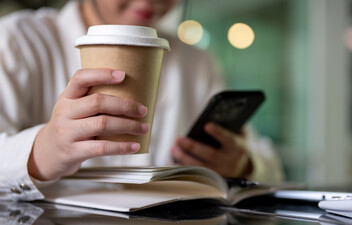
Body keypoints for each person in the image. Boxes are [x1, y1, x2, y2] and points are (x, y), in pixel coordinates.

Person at [0, 0, 284, 201]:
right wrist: (41, 151)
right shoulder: (16, 41)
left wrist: (242, 164)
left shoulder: (197, 62)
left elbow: (270, 166)